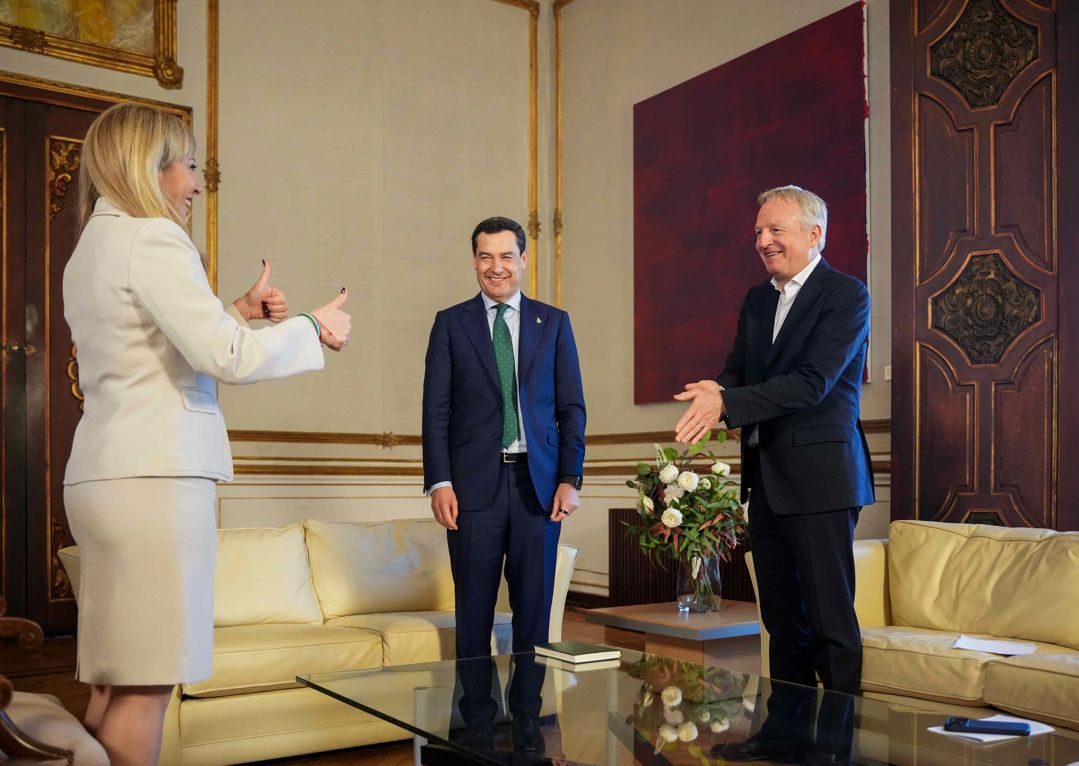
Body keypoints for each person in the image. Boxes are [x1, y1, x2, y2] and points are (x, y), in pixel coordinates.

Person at [61, 103, 351, 765]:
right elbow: (226, 357)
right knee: (148, 681)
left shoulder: (94, 246)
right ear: (151, 166)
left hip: (106, 474)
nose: (196, 183)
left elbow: (153, 349)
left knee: (115, 677)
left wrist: (238, 311)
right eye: (189, 166)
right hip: (154, 481)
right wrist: (311, 327)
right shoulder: (154, 238)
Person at [674, 185, 873, 697]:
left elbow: (812, 382)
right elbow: (738, 371)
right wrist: (716, 389)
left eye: (775, 229)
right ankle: (788, 728)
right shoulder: (758, 299)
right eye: (759, 231)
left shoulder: (846, 294)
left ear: (814, 234)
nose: (763, 240)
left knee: (830, 624)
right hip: (765, 480)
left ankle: (842, 733)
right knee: (782, 624)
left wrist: (726, 402)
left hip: (821, 482)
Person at [422, 216, 586, 659]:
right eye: (486, 257)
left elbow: (571, 408)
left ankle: (530, 704)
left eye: (507, 257)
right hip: (472, 489)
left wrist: (570, 478)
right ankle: (474, 705)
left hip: (540, 488)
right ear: (474, 261)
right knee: (473, 614)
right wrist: (440, 482)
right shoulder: (450, 324)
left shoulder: (554, 323)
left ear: (524, 259)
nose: (497, 267)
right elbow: (435, 411)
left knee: (535, 616)